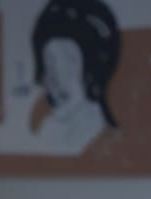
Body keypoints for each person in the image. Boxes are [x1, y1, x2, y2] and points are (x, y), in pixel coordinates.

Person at [30, 0, 121, 154]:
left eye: (69, 60)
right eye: (50, 62)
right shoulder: (48, 130)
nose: (56, 77)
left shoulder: (102, 138)